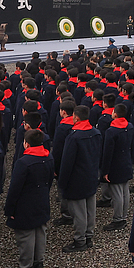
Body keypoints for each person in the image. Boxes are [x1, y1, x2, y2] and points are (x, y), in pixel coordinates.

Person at [4, 130, 54, 268]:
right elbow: (50, 179)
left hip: (25, 203)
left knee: (26, 236)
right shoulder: (48, 157)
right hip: (42, 199)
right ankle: (39, 262)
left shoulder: (23, 162)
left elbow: (15, 188)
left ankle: (26, 267)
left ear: (26, 143)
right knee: (40, 231)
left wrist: (9, 209)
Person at [57, 104, 102, 252]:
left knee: (79, 212)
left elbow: (67, 162)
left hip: (77, 178)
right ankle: (89, 235)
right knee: (90, 208)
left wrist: (62, 182)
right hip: (91, 175)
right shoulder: (96, 132)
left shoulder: (74, 137)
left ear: (76, 117)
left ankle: (80, 240)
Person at [101, 103, 134, 232]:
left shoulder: (111, 131)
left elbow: (107, 152)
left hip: (115, 165)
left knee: (117, 193)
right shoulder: (130, 126)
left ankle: (118, 219)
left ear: (115, 114)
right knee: (125, 191)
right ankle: (124, 216)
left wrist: (105, 170)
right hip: (126, 161)